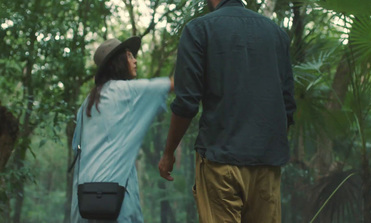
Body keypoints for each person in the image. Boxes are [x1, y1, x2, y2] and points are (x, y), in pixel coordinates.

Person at [158, 0, 296, 222]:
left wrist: (168, 153)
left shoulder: (198, 29)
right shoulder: (276, 33)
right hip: (266, 165)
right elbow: (288, 105)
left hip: (220, 160)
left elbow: (186, 103)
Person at [70, 36, 174, 222]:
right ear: (118, 62)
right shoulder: (126, 92)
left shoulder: (87, 104)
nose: (135, 60)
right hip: (116, 206)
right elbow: (173, 84)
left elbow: (77, 151)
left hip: (84, 206)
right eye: (129, 55)